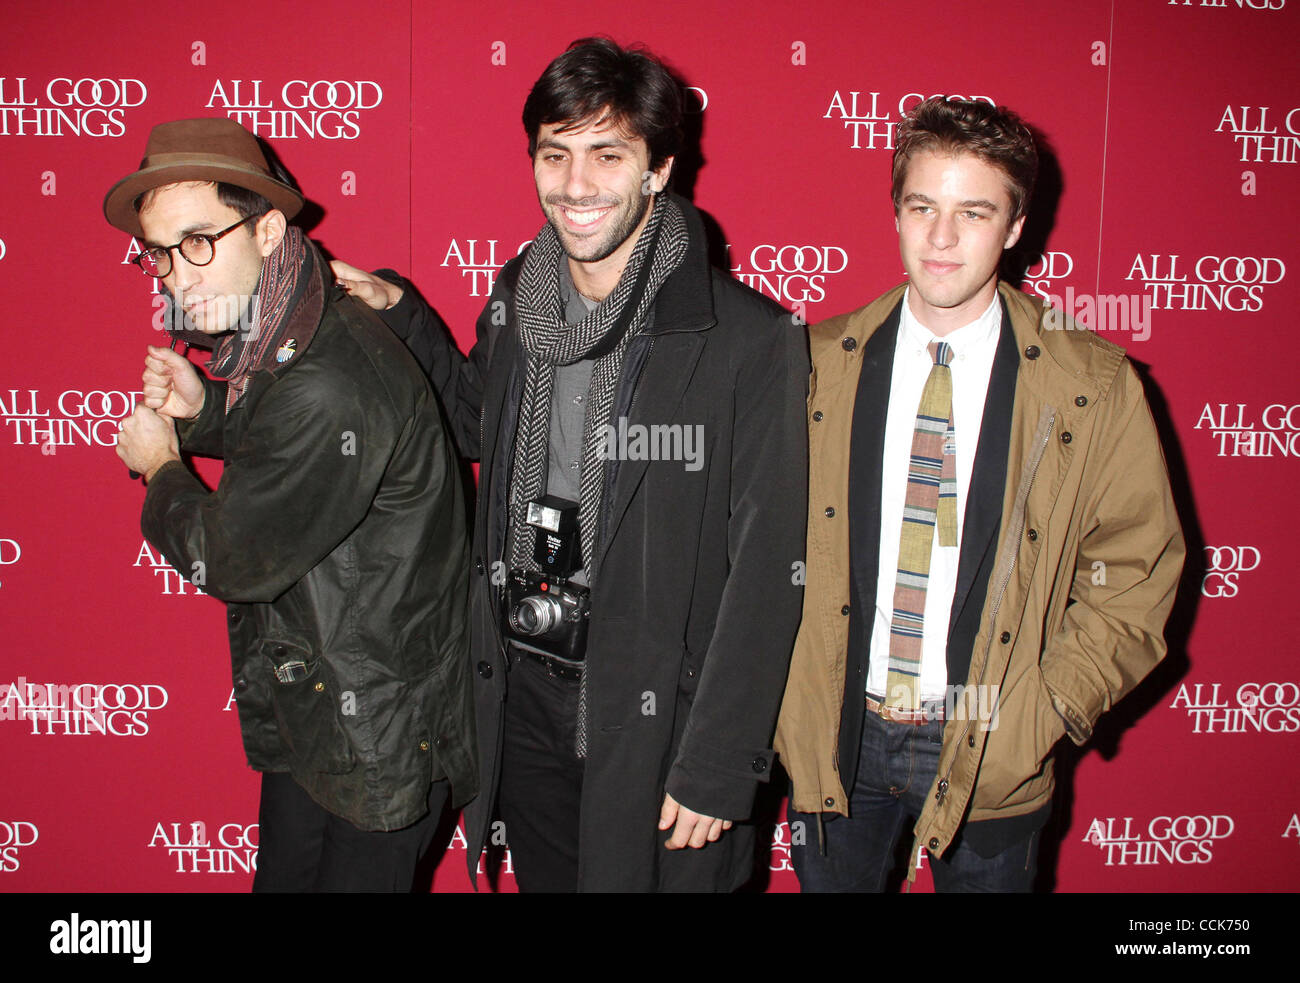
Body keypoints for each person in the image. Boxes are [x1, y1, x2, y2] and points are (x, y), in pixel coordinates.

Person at [336, 37, 807, 892]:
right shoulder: (523, 293)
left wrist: (719, 759)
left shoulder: (746, 340)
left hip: (659, 714)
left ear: (659, 168)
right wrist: (402, 314)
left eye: (607, 154)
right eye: (555, 154)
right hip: (526, 690)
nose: (576, 185)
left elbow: (771, 568)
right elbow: (484, 422)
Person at [773, 97, 1185, 892]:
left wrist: (1048, 707)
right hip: (838, 736)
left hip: (995, 742)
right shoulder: (813, 366)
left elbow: (1138, 569)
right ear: (895, 211)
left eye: (974, 211)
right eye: (922, 206)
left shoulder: (1092, 385)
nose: (941, 237)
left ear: (1016, 224)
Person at [105, 117, 476, 892]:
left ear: (269, 230)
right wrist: (207, 409)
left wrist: (162, 465)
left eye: (199, 240)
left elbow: (231, 555)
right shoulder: (289, 327)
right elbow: (291, 454)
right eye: (160, 252)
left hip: (375, 737)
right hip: (325, 710)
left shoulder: (324, 374)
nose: (177, 275)